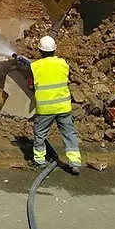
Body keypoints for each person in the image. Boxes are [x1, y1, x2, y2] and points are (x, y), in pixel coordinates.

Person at [29, 35, 81, 175]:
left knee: (40, 134)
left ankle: (39, 160)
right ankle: (75, 162)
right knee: (69, 134)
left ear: (40, 50)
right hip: (64, 106)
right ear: (54, 50)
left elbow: (30, 86)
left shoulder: (34, 67)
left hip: (45, 109)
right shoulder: (63, 64)